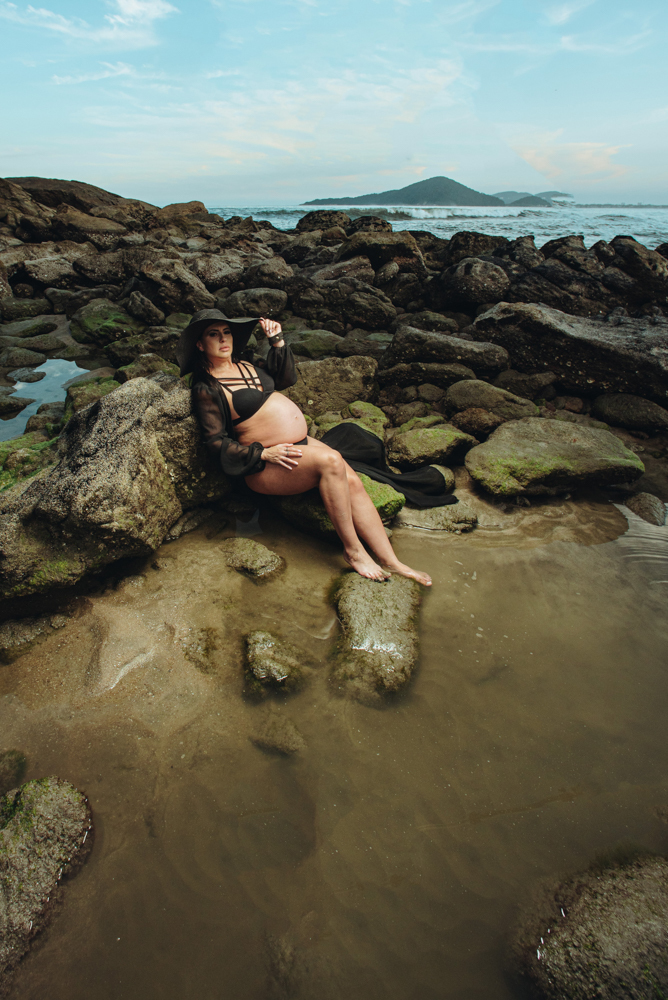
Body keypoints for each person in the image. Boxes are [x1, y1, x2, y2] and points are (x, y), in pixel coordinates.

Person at [177, 308, 432, 585]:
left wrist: (277, 341)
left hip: (296, 444)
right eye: (213, 334)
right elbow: (215, 441)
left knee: (352, 482)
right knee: (332, 461)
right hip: (267, 463)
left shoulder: (246, 363)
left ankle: (391, 561)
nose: (223, 339)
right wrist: (263, 453)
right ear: (200, 344)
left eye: (226, 332)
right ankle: (354, 551)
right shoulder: (206, 387)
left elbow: (285, 379)